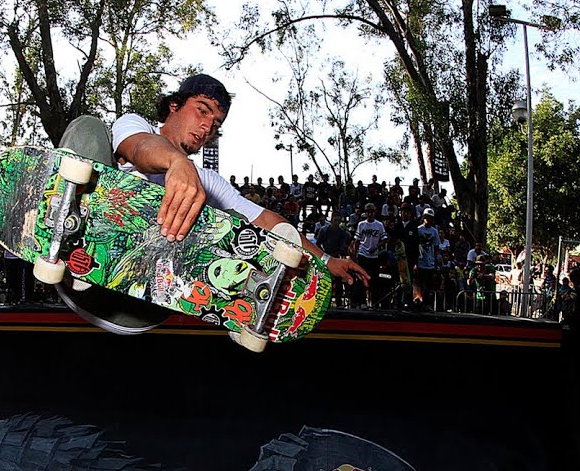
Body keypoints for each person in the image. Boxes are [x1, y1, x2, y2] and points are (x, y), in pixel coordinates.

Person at [53, 74, 369, 333]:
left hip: (135, 307)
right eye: (202, 110)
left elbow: (266, 220)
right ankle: (78, 245)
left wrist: (325, 260)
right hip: (76, 274)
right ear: (174, 106)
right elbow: (139, 149)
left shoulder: (208, 181)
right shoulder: (134, 125)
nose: (207, 127)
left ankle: (247, 308)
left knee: (237, 221)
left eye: (215, 123)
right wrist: (177, 164)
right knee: (90, 130)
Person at [350, 202, 386, 308]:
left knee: (374, 280)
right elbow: (357, 240)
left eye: (371, 212)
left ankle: (374, 303)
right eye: (368, 212)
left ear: (374, 212)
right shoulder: (362, 225)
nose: (370, 214)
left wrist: (376, 246)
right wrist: (355, 254)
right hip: (363, 254)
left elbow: (384, 239)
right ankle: (362, 303)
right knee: (361, 279)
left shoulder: (379, 225)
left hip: (374, 255)